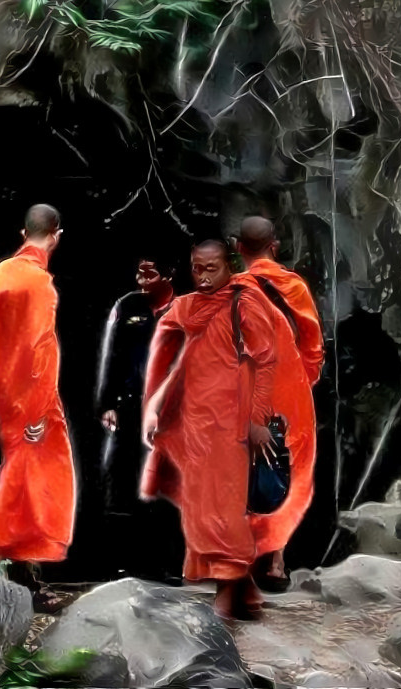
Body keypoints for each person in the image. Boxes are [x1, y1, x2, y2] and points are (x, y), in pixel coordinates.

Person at [140, 240, 279, 621]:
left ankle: (226, 594)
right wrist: (156, 407)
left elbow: (267, 361)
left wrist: (258, 419)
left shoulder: (243, 304)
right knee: (200, 510)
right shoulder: (187, 306)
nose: (202, 277)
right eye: (197, 269)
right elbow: (165, 349)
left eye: (211, 268)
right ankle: (245, 592)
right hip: (195, 424)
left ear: (230, 266)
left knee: (224, 511)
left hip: (231, 425)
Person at [0, 204, 76, 611]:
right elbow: (40, 350)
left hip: (6, 392)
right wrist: (39, 412)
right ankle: (21, 577)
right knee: (37, 488)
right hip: (31, 398)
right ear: (56, 234)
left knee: (21, 481)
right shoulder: (38, 283)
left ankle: (24, 578)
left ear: (22, 232)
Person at [237, 215, 323, 592]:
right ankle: (276, 560)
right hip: (292, 395)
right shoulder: (294, 287)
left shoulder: (232, 290)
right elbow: (314, 341)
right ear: (274, 246)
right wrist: (303, 380)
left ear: (239, 248)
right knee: (294, 471)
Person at [96, 257, 182, 579]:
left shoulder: (183, 308)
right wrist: (108, 403)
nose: (142, 280)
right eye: (139, 273)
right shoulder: (128, 305)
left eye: (150, 274)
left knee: (164, 482)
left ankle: (166, 563)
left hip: (171, 411)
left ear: (169, 273)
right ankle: (123, 562)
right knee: (123, 478)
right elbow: (111, 353)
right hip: (131, 405)